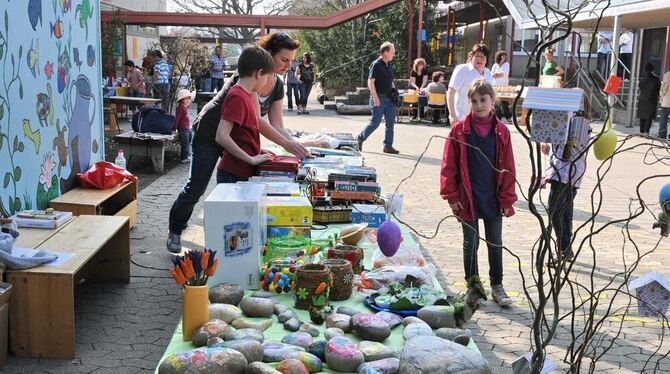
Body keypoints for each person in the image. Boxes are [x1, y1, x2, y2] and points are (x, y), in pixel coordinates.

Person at [166, 32, 310, 253]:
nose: (289, 66)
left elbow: (277, 125)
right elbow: (256, 121)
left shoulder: (277, 84)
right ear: (267, 56)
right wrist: (288, 146)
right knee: (197, 187)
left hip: (235, 138)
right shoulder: (248, 78)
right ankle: (175, 230)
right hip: (210, 132)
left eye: (292, 61)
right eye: (284, 60)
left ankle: (231, 248)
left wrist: (298, 146)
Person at [440, 79, 517, 307]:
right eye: (474, 101)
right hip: (467, 197)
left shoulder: (502, 132)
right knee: (470, 242)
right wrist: (452, 196)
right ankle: (473, 286)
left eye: (483, 100)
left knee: (495, 241)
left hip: (493, 197)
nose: (479, 105)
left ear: (493, 101)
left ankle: (497, 285)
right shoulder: (459, 131)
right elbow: (448, 166)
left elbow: (509, 167)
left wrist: (507, 198)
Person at [214, 46, 276, 183]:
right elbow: (221, 136)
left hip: (241, 171)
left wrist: (256, 151)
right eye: (267, 77)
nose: (267, 82)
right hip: (233, 173)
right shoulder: (238, 96)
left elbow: (241, 136)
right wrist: (251, 159)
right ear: (259, 73)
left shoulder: (247, 95)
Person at [542, 104, 590, 265]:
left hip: (564, 173)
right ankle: (566, 249)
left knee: (555, 210)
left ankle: (564, 248)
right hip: (572, 174)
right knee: (565, 211)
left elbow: (568, 150)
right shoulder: (582, 121)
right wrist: (549, 147)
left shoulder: (576, 121)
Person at [357, 41, 399, 154]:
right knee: (375, 122)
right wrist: (375, 97)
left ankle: (388, 146)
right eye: (392, 51)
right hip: (379, 97)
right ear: (385, 52)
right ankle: (360, 138)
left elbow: (390, 80)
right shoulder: (376, 64)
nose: (394, 54)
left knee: (390, 123)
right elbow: (370, 82)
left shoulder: (388, 64)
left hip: (389, 99)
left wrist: (394, 91)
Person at [448, 43, 494, 124]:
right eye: (477, 56)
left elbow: (490, 97)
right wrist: (452, 115)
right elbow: (451, 92)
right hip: (462, 118)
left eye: (482, 57)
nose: (479, 59)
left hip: (482, 121)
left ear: (486, 59)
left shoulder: (488, 73)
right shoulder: (462, 70)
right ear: (472, 57)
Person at [637, 63, 661, 135]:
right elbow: (658, 90)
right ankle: (646, 132)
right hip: (652, 99)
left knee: (642, 116)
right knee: (649, 117)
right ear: (653, 69)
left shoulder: (642, 79)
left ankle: (641, 131)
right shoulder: (656, 79)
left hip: (642, 99)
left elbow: (640, 88)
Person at [174, 89, 195, 163]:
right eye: (185, 99)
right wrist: (174, 128)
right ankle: (183, 158)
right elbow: (177, 119)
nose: (187, 100)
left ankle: (187, 155)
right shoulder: (180, 107)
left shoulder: (185, 107)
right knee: (185, 143)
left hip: (187, 128)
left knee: (188, 141)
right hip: (183, 129)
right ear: (181, 100)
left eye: (188, 99)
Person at [491, 51, 511, 120]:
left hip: (503, 86)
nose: (504, 57)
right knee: (496, 101)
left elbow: (504, 74)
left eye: (505, 56)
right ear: (499, 56)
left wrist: (496, 75)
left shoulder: (506, 64)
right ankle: (497, 117)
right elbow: (492, 75)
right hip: (495, 85)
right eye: (502, 56)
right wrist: (497, 75)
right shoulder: (495, 65)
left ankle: (508, 117)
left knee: (504, 101)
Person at [658, 68, 670, 140]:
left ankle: (662, 134)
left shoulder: (667, 75)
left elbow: (664, 86)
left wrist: (661, 94)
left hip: (667, 100)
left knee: (664, 118)